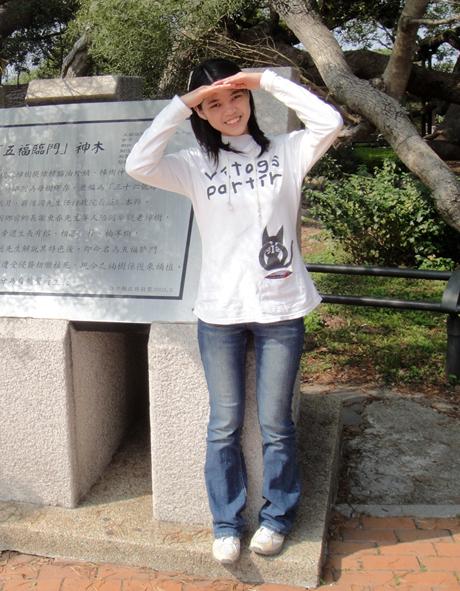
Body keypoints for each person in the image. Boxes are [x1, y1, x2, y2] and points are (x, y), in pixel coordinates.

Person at [125, 59, 342, 563]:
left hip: (281, 310)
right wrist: (182, 104)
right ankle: (226, 523)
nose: (229, 110)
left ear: (248, 98)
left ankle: (276, 518)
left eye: (235, 97)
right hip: (220, 313)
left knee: (276, 425)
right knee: (223, 425)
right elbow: (138, 163)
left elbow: (329, 121)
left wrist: (264, 80)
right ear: (201, 112)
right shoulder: (193, 164)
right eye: (213, 103)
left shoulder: (288, 151)